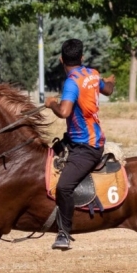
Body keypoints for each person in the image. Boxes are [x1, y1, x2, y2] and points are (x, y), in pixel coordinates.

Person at [44, 39, 116, 250]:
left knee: (64, 186)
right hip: (77, 140)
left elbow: (64, 112)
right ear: (82, 58)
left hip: (88, 147)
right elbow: (108, 89)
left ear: (61, 60)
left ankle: (64, 233)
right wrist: (110, 80)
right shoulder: (92, 74)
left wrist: (51, 104)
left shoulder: (71, 82)